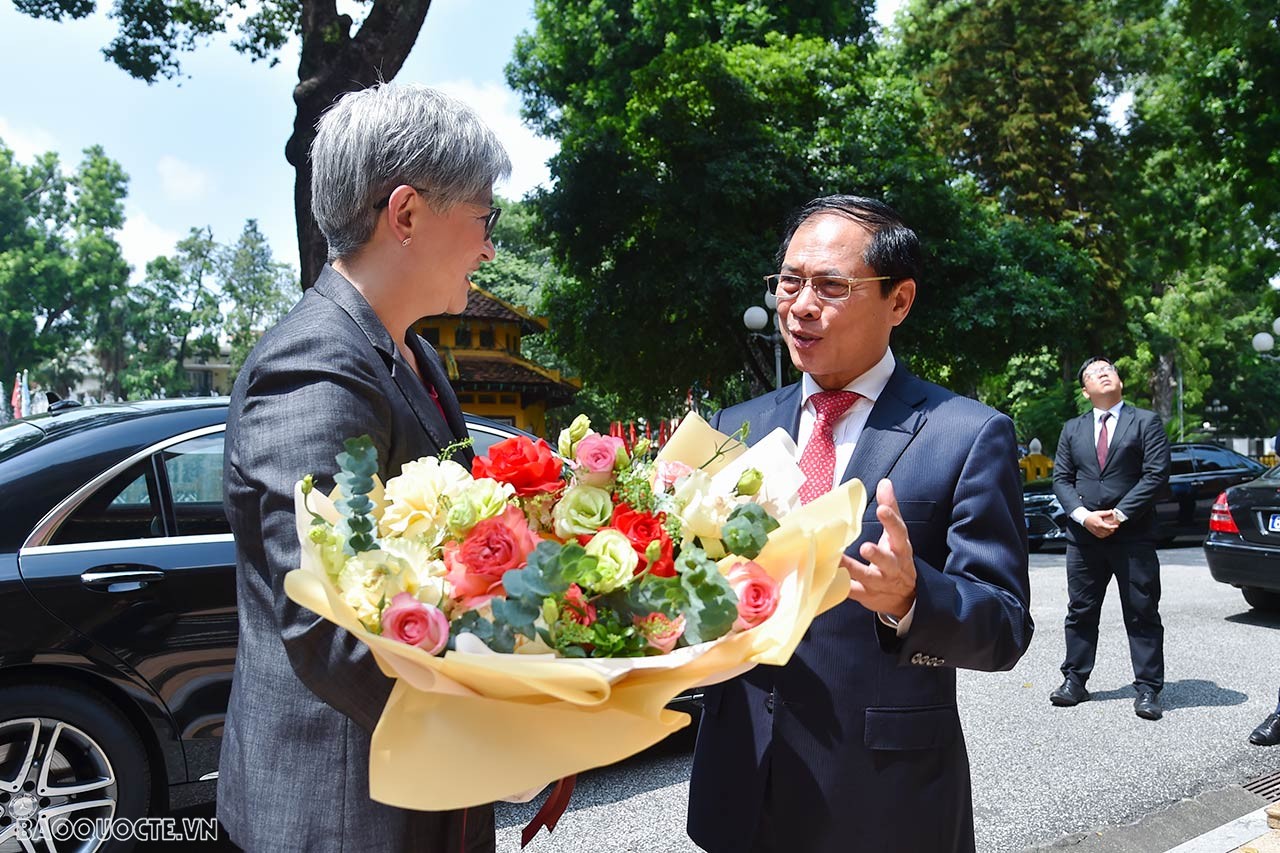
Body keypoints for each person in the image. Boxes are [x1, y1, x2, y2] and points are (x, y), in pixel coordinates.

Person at [686, 195, 1033, 853]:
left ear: (898, 302)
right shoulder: (736, 426)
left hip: (885, 798)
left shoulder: (966, 434)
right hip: (742, 784)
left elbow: (1005, 626)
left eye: (830, 286)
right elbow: (696, 587)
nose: (800, 304)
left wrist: (911, 596)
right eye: (789, 281)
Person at [218, 83, 509, 852]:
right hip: (349, 809)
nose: (489, 246)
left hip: (425, 797)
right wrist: (498, 733)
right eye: (485, 218)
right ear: (406, 212)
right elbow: (329, 622)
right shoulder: (317, 362)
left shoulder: (411, 353)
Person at [1049, 357, 1171, 720]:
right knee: (1081, 610)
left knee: (1142, 610)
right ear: (1086, 391)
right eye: (1093, 374)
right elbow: (1061, 479)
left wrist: (1118, 514)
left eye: (1109, 370)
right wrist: (1085, 517)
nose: (1103, 374)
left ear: (1119, 381)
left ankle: (1148, 688)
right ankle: (1074, 680)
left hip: (1132, 534)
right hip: (1084, 537)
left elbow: (1155, 475)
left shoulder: (1146, 421)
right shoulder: (1072, 429)